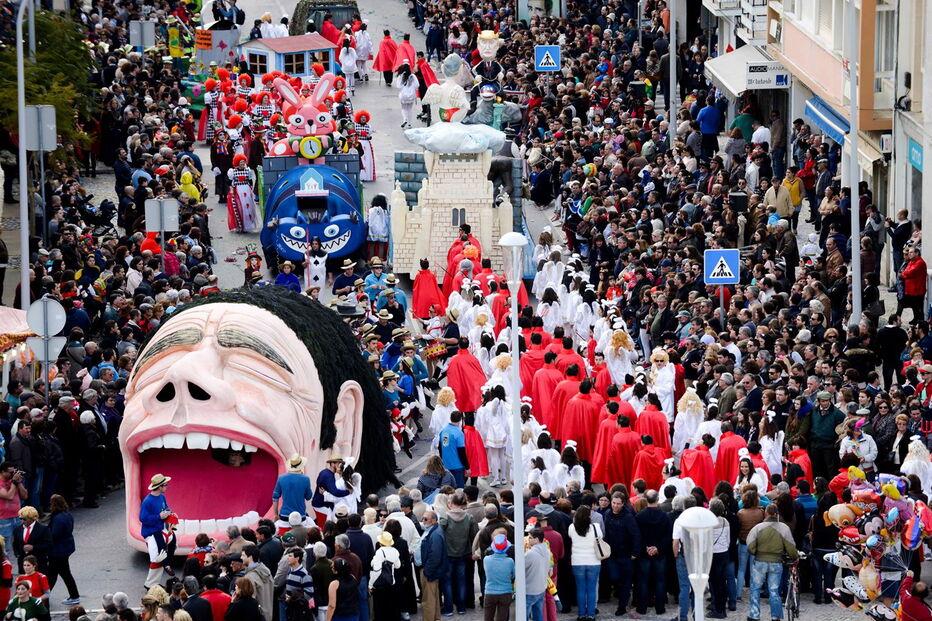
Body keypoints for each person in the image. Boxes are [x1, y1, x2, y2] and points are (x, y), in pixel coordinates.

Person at [746, 504, 798, 621]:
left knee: (755, 588)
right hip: (776, 562)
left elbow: (750, 546)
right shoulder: (784, 528)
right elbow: (791, 547)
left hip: (760, 561)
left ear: (766, 513)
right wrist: (794, 557)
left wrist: (756, 552)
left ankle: (754, 614)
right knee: (774, 590)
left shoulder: (758, 528)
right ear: (777, 514)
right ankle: (776, 616)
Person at [568, 506, 601, 621]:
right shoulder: (596, 527)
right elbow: (600, 537)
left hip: (577, 561)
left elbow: (570, 537)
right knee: (591, 589)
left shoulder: (572, 527)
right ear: (589, 516)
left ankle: (581, 614)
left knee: (580, 589)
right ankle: (591, 615)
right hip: (594, 561)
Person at [47, 495, 79, 605]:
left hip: (58, 550)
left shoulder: (58, 518)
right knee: (55, 573)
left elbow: (55, 534)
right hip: (65, 547)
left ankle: (74, 595)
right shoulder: (67, 514)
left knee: (60, 573)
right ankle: (46, 594)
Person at [419, 511, 448, 621]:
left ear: (434, 520)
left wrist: (427, 571)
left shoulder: (435, 534)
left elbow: (435, 556)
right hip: (430, 570)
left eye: (426, 519)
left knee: (428, 599)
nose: (423, 521)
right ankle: (435, 617)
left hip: (430, 571)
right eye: (423, 518)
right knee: (433, 597)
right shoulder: (433, 530)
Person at [273, 455, 314, 529]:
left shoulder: (281, 478)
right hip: (300, 516)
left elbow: (275, 497)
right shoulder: (305, 479)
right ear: (301, 466)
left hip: (284, 516)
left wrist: (276, 514)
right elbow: (308, 497)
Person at [369, 531, 401, 621]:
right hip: (391, 583)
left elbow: (377, 571)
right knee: (390, 610)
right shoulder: (395, 551)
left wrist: (370, 585)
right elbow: (398, 566)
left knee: (380, 611)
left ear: (381, 542)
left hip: (380, 586)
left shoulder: (380, 552)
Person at [482, 533, 514, 621]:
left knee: (488, 618)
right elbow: (513, 576)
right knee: (502, 618)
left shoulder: (486, 560)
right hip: (506, 593)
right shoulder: (510, 561)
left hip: (490, 592)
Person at [12, 506, 51, 574]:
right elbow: (15, 544)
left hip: (38, 564)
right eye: (21, 518)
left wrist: (33, 547)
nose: (22, 521)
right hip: (23, 565)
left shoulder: (43, 529)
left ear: (32, 518)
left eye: (24, 519)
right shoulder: (17, 530)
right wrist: (18, 554)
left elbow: (49, 545)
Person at [524, 528, 550, 621]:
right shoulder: (547, 551)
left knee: (524, 616)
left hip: (530, 589)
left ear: (536, 539)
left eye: (530, 537)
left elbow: (520, 568)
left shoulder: (530, 554)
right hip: (541, 588)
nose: (528, 539)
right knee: (538, 614)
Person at [0, 463, 26, 545]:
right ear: (2, 472)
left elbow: (25, 496)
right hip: (4, 520)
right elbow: (9, 496)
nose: (13, 474)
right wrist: (14, 482)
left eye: (13, 472)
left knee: (21, 543)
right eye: (10, 472)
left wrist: (19, 483)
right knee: (5, 546)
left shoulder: (13, 481)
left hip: (17, 517)